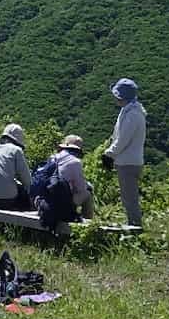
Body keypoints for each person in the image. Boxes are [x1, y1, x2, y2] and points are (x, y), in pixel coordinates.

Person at [101, 78, 146, 227]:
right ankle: (133, 225)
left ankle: (135, 228)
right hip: (129, 161)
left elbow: (123, 139)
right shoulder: (129, 110)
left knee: (130, 198)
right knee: (128, 197)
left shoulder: (132, 115)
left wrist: (109, 154)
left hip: (128, 162)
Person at [54, 134, 95, 218]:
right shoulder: (75, 162)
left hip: (45, 200)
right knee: (87, 193)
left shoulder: (53, 157)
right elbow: (81, 188)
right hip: (60, 203)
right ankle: (87, 223)